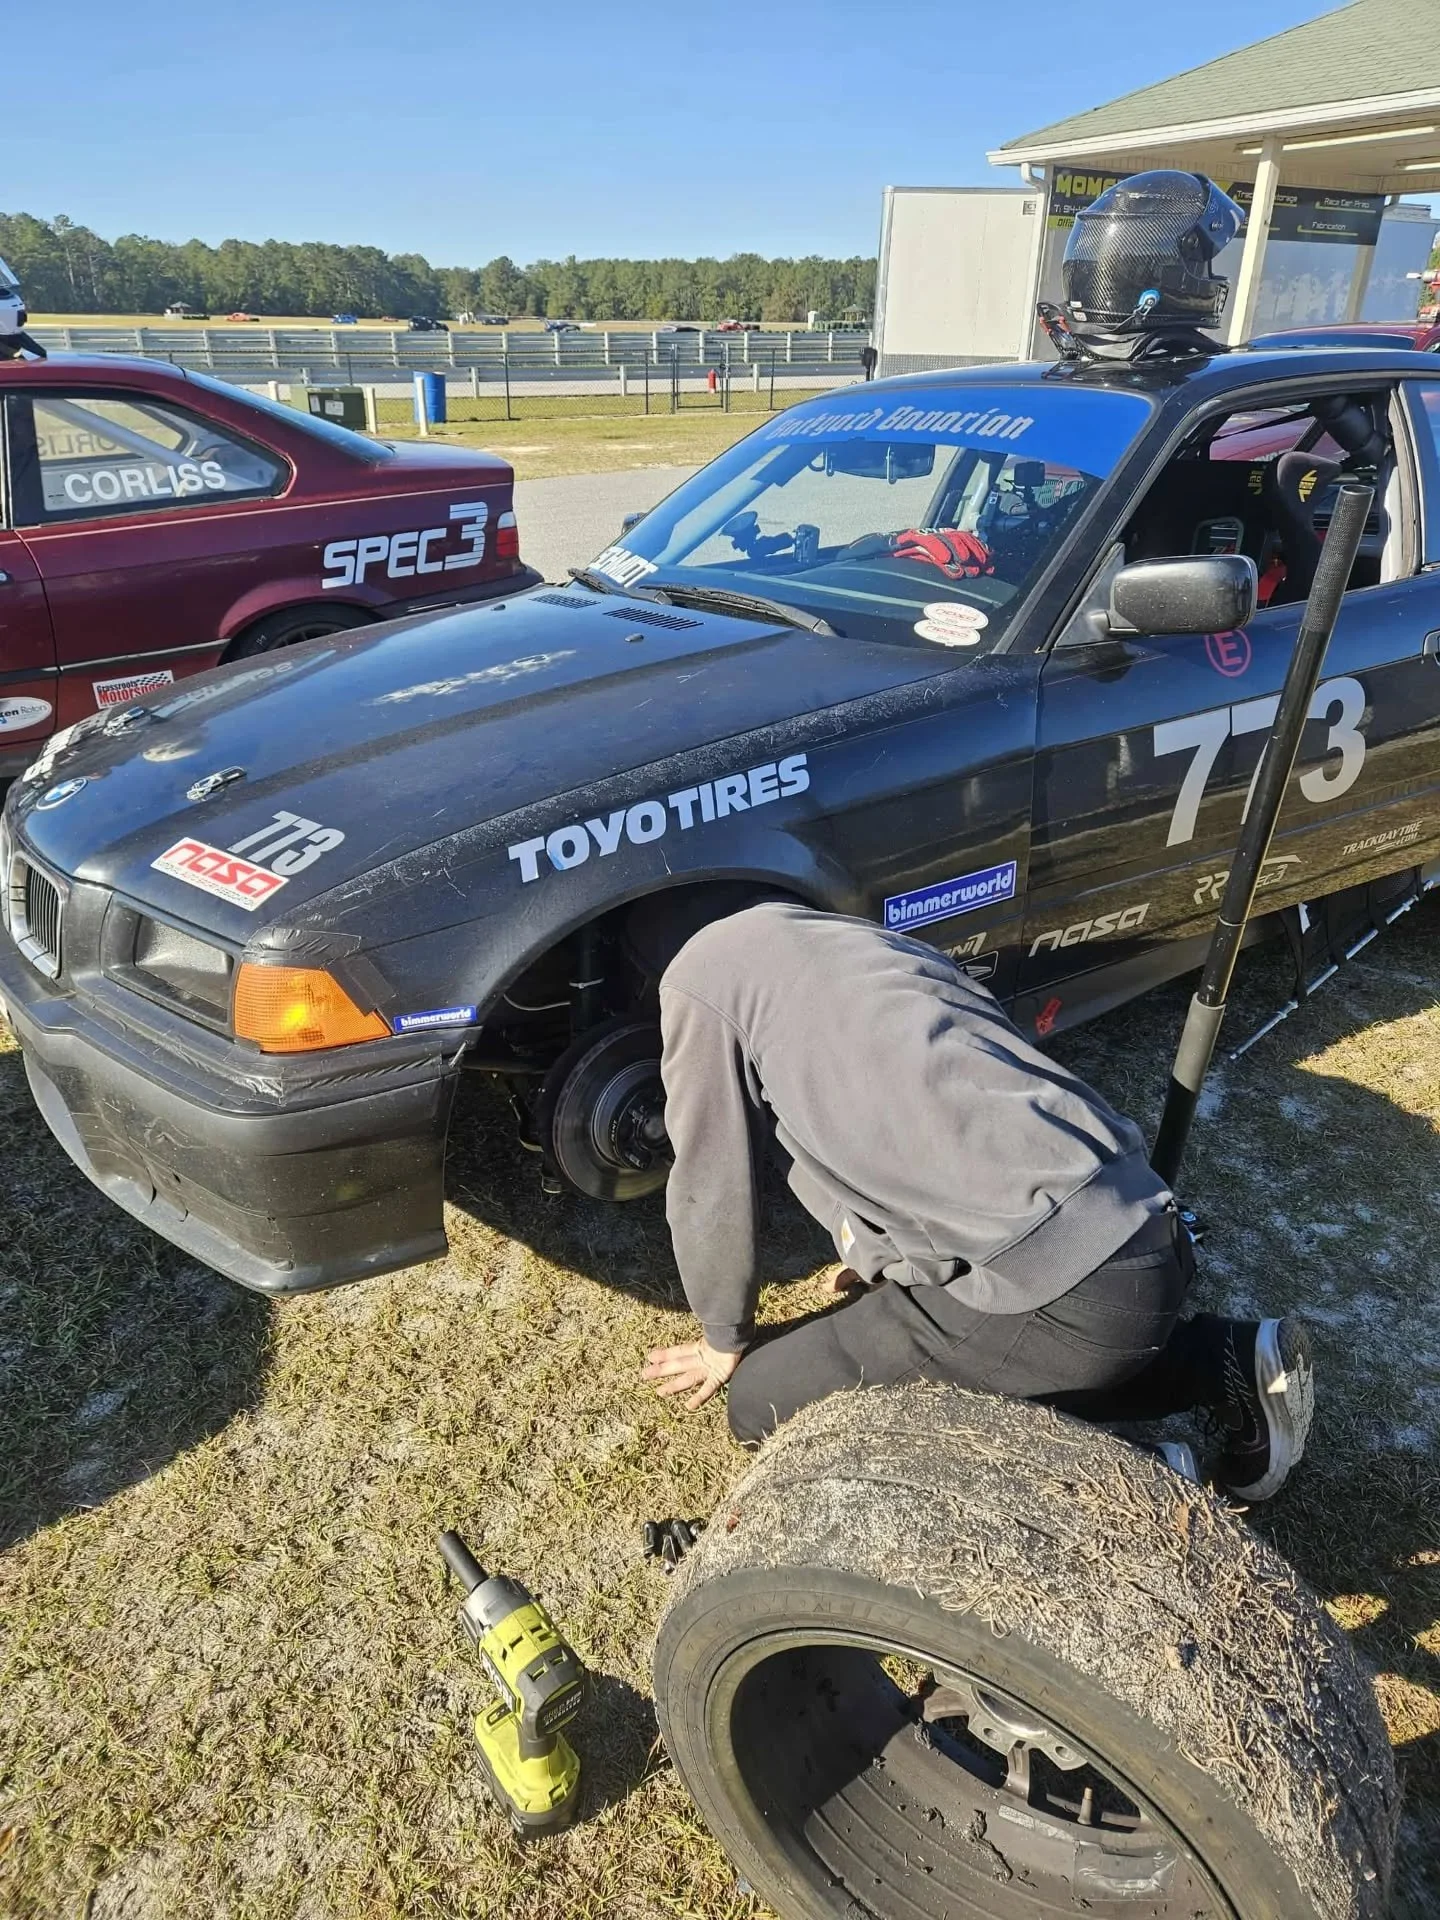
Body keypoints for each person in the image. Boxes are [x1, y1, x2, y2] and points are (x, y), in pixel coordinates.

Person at [640, 902, 1313, 1500]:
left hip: (1071, 1289)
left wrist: (721, 1337)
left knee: (763, 1404)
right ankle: (1223, 1359)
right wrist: (889, 1257)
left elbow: (710, 1182)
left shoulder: (697, 987)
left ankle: (1125, 1484)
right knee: (1018, 1348)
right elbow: (931, 1104)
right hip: (1139, 1219)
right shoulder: (845, 940)